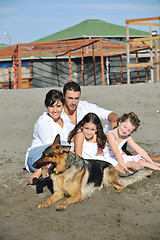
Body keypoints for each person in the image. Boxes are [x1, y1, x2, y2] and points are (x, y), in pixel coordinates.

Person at [25, 89, 69, 183]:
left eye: (58, 106)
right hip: (37, 156)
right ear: (47, 106)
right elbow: (50, 148)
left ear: (63, 106)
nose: (55, 110)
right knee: (64, 145)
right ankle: (38, 173)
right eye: (51, 106)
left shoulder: (65, 118)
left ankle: (48, 173)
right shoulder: (43, 121)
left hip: (55, 156)